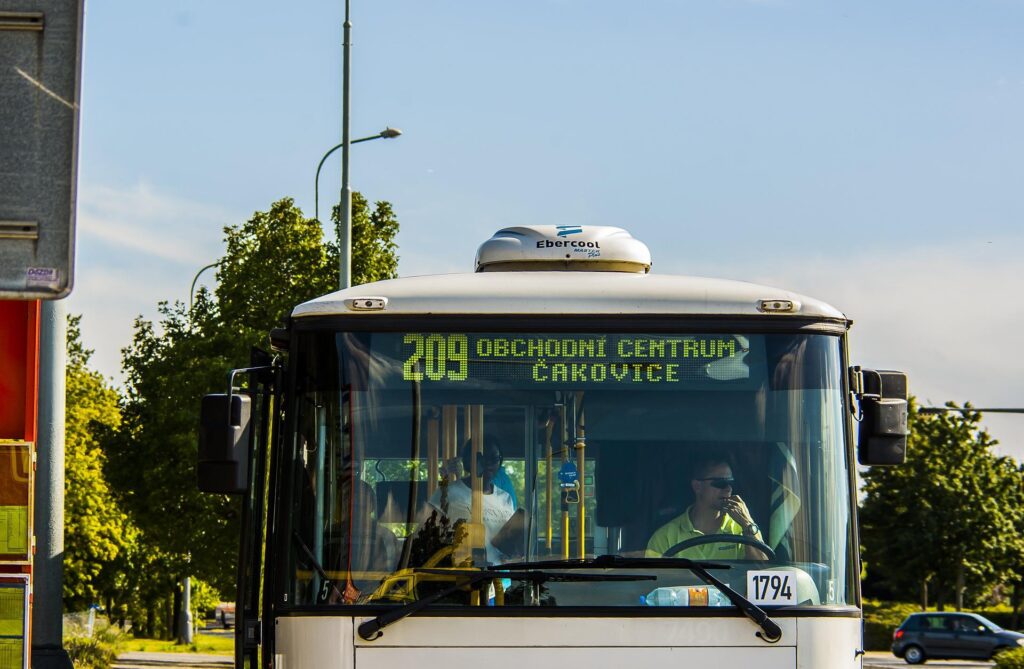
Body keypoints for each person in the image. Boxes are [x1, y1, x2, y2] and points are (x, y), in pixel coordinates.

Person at [645, 454, 767, 560]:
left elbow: (762, 573)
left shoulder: (743, 530)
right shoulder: (665, 536)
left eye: (731, 482)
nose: (728, 488)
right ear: (697, 486)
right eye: (720, 483)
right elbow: (656, 582)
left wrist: (747, 524)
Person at [425, 435, 516, 564]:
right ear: (468, 461)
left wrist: (511, 554)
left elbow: (509, 541)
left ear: (500, 461)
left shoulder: (505, 498)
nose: (488, 463)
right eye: (481, 458)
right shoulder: (447, 493)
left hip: (499, 579)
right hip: (461, 577)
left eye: (494, 458)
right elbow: (427, 537)